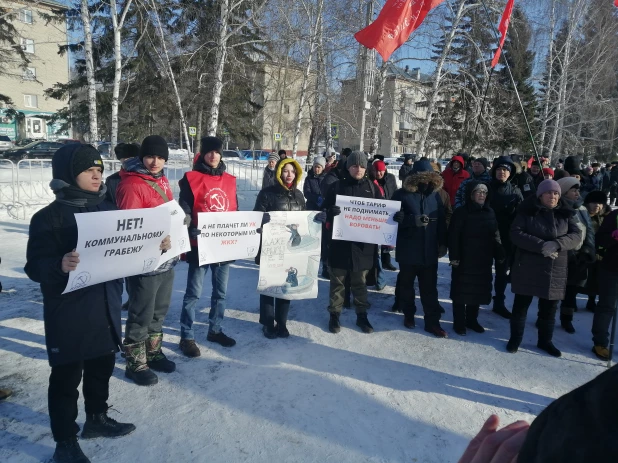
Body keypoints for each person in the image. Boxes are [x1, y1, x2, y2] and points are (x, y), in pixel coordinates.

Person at [25, 144, 136, 463]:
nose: (97, 175)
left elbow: (130, 250)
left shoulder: (109, 210)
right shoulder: (47, 218)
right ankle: (65, 441)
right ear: (67, 174)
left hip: (104, 306)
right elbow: (34, 267)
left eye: (99, 170)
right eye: (89, 170)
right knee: (66, 379)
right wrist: (58, 265)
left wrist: (156, 245)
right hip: (68, 314)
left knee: (102, 368)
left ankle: (97, 419)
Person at [116, 135, 178, 386]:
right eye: (151, 156)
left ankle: (152, 353)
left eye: (161, 157)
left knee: (159, 311)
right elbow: (129, 229)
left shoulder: (160, 179)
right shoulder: (132, 184)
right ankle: (135, 363)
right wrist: (154, 242)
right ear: (142, 157)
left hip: (166, 259)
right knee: (141, 313)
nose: (156, 162)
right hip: (144, 263)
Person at [177, 136, 239, 358]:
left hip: (222, 245)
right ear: (202, 154)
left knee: (220, 293)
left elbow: (234, 210)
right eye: (209, 151)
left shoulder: (230, 180)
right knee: (193, 294)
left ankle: (215, 330)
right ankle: (187, 335)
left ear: (221, 154)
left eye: (217, 151)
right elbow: (183, 209)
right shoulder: (191, 179)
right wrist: (188, 225)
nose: (213, 155)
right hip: (199, 244)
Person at [506, 179, 581, 357]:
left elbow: (576, 235)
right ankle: (515, 339)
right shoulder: (527, 211)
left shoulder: (566, 213)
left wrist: (557, 243)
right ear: (540, 195)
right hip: (528, 266)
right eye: (548, 193)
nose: (552, 196)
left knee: (549, 308)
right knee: (521, 306)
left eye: (555, 193)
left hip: (555, 267)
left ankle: (545, 341)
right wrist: (540, 245)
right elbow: (515, 234)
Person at [321, 151, 382, 334]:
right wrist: (330, 213)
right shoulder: (337, 187)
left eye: (362, 166)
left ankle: (361, 316)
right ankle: (334, 315)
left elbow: (383, 213)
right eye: (355, 165)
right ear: (348, 167)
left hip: (362, 247)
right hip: (340, 245)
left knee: (360, 284)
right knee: (337, 283)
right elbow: (323, 213)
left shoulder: (372, 188)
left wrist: (395, 217)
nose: (359, 169)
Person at [391, 158, 448, 337]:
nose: (425, 181)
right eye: (422, 177)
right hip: (408, 250)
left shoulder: (436, 196)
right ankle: (409, 314)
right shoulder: (401, 195)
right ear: (414, 177)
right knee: (407, 287)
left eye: (429, 177)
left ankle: (432, 322)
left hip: (429, 251)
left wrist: (443, 243)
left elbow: (441, 223)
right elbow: (391, 220)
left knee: (430, 289)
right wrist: (409, 221)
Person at [254, 157, 306, 338]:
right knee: (269, 286)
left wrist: (316, 220)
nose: (289, 174)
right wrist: (262, 220)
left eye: (292, 171)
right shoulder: (267, 194)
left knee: (287, 284)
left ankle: (282, 322)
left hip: (290, 248)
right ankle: (267, 323)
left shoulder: (299, 195)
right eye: (285, 171)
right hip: (270, 247)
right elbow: (255, 219)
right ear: (279, 172)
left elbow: (304, 220)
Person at [448, 182, 504, 335]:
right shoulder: (461, 212)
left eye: (484, 192)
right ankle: (459, 322)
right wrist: (454, 257)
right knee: (461, 291)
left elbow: (496, 235)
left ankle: (472, 320)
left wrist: (500, 253)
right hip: (464, 259)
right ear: (471, 194)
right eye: (478, 191)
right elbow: (453, 236)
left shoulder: (490, 212)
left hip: (483, 259)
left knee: (477, 291)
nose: (481, 194)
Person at [556, 177, 595, 333]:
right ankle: (543, 317)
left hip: (578, 256)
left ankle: (567, 319)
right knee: (553, 290)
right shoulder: (557, 207)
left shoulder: (582, 209)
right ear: (565, 192)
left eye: (578, 190)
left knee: (572, 291)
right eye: (574, 190)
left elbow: (589, 230)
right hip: (561, 254)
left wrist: (588, 249)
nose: (577, 193)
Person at [486, 156, 523, 319]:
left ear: (510, 173)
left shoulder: (515, 191)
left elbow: (522, 215)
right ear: (494, 171)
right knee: (482, 270)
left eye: (506, 170)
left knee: (501, 273)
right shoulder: (485, 188)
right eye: (499, 169)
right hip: (485, 235)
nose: (502, 172)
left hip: (506, 238)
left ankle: (499, 303)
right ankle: (478, 298)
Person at [591, 206, 618, 360]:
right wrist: (613, 237)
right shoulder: (614, 216)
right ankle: (600, 343)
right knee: (607, 306)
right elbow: (599, 239)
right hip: (612, 268)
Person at [583, 191, 610, 312]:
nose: (597, 206)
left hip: (601, 253)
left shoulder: (607, 217)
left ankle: (591, 300)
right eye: (594, 202)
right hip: (584, 252)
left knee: (596, 278)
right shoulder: (582, 215)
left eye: (600, 203)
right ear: (588, 203)